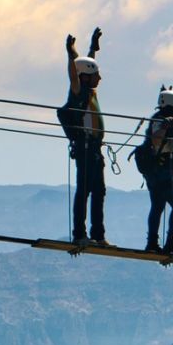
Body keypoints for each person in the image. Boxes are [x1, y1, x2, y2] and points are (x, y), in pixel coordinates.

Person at [63, 27, 110, 248]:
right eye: (95, 75)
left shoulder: (90, 91)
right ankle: (80, 234)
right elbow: (75, 71)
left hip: (95, 150)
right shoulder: (78, 91)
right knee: (84, 192)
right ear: (85, 76)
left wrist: (93, 47)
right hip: (84, 148)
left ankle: (98, 236)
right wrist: (70, 52)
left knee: (98, 191)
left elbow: (86, 63)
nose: (99, 77)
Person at [143, 86, 173, 256]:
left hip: (157, 172)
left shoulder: (161, 120)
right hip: (161, 172)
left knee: (158, 206)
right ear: (171, 107)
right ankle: (169, 245)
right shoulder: (159, 121)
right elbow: (155, 140)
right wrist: (167, 126)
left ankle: (152, 244)